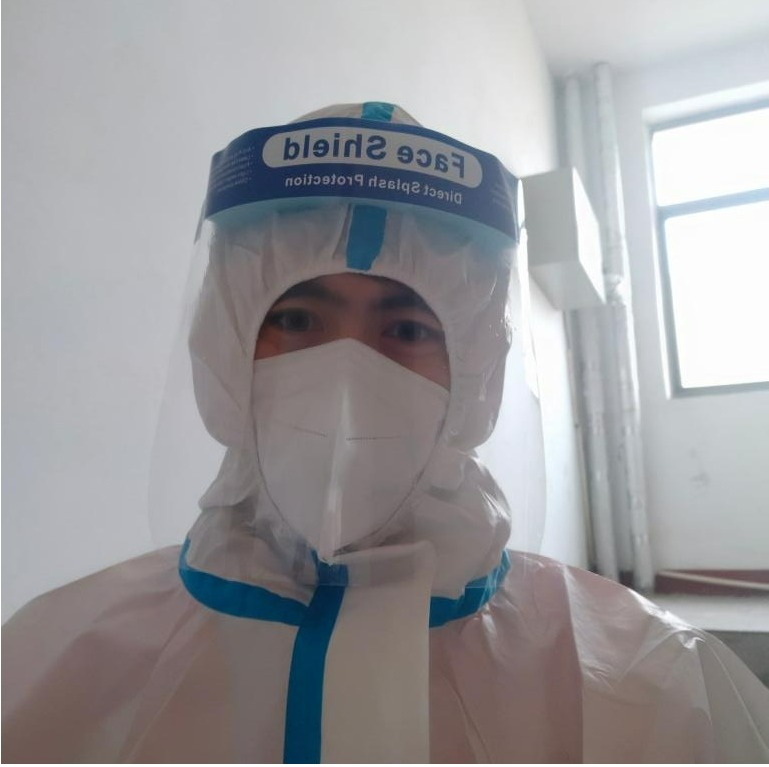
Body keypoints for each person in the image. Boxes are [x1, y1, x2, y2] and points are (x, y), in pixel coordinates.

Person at [3, 102, 768, 764]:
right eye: (296, 318)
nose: (346, 374)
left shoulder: (641, 676)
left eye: (405, 328)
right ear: (224, 344)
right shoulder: (56, 657)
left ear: (476, 370)